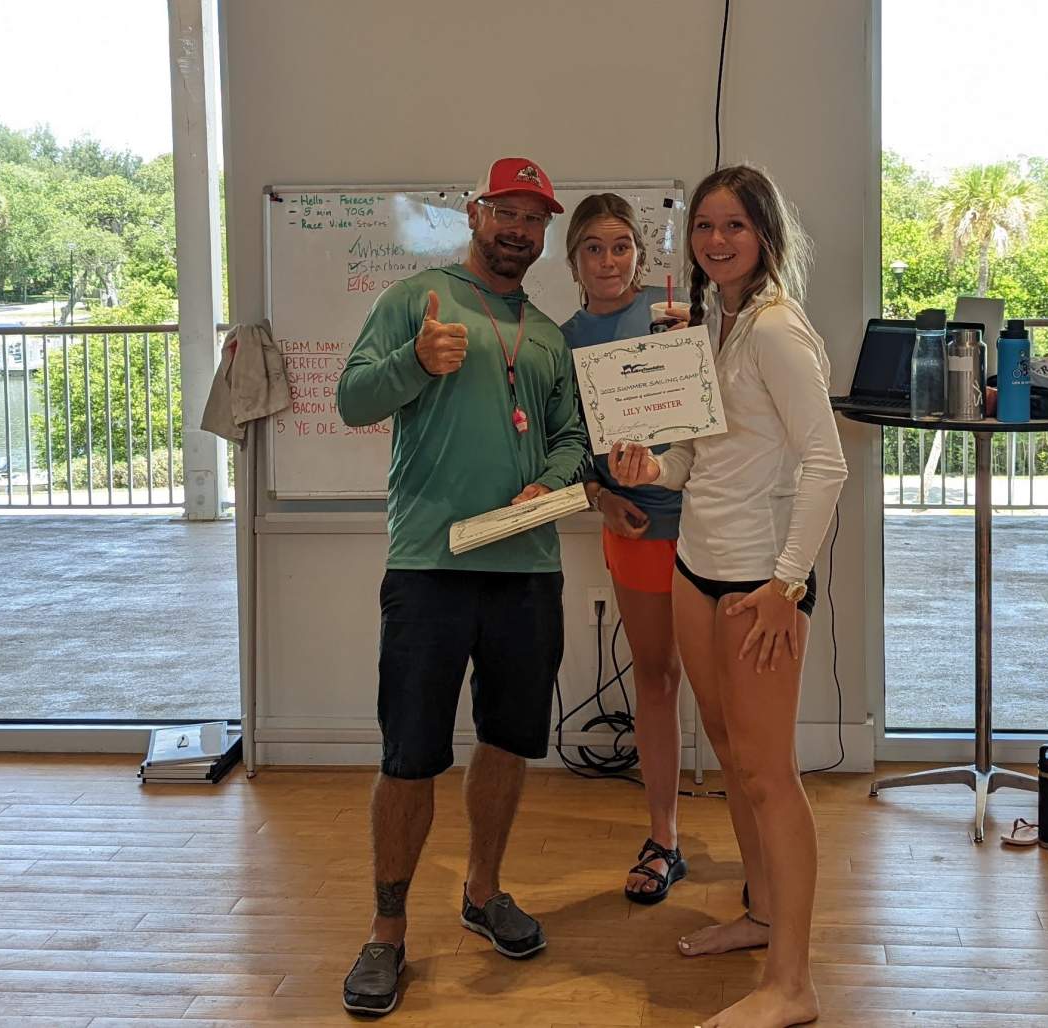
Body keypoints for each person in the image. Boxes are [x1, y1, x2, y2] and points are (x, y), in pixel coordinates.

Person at [335, 156, 588, 1017]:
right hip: (429, 567)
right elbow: (352, 400)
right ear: (476, 212)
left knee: (510, 742)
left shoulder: (550, 335)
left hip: (527, 567)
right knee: (409, 754)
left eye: (535, 218)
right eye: (506, 212)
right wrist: (413, 359)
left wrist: (543, 486)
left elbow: (570, 436)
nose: (519, 229)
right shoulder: (419, 301)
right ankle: (386, 932)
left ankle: (483, 894)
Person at [611, 164, 847, 1028]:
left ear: (765, 235)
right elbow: (700, 454)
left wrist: (788, 584)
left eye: (733, 227)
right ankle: (759, 917)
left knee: (766, 773)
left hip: (758, 583)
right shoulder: (716, 325)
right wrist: (653, 466)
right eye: (705, 226)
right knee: (729, 753)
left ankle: (793, 985)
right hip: (695, 568)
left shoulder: (779, 331)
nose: (715, 241)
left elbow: (828, 465)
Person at [558, 193, 689, 904]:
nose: (608, 261)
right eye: (593, 249)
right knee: (657, 678)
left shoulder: (676, 315)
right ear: (573, 258)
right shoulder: (563, 337)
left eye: (620, 247)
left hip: (706, 524)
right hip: (634, 525)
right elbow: (567, 442)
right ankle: (664, 837)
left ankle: (763, 848)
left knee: (728, 689)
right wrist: (602, 497)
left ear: (640, 253)